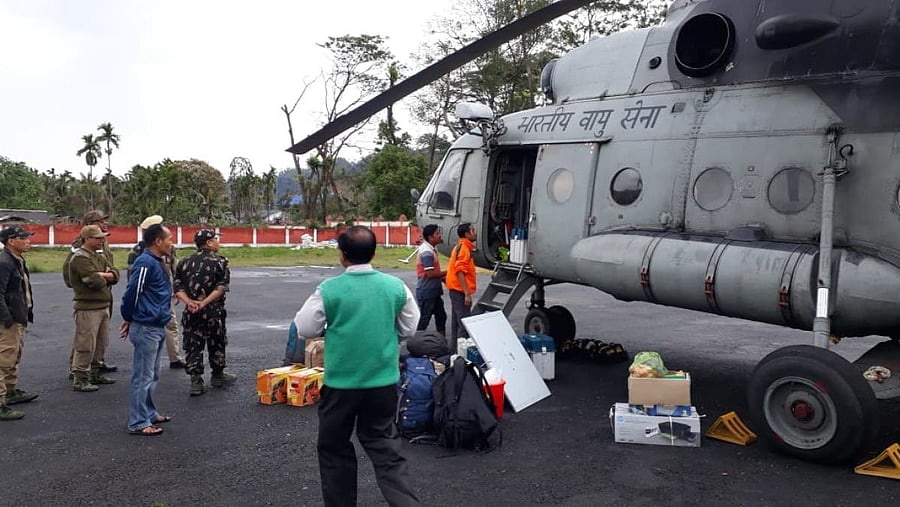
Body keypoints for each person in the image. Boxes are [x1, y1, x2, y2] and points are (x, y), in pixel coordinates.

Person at [295, 225, 421, 507]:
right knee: (386, 450)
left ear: (342, 254)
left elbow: (305, 328)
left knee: (334, 448)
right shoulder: (395, 286)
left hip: (341, 385)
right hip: (383, 383)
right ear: (373, 253)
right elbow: (410, 328)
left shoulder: (329, 290)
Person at [120, 223, 173, 436]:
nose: (172, 243)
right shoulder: (145, 263)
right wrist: (128, 317)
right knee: (142, 377)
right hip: (146, 327)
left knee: (152, 374)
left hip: (156, 325)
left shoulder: (157, 262)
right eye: (169, 239)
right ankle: (138, 422)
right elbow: (132, 292)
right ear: (158, 241)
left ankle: (149, 413)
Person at [174, 229, 234, 396]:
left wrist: (189, 302)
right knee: (217, 342)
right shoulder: (220, 262)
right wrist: (204, 303)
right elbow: (221, 288)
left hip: (191, 311)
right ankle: (217, 375)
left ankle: (196, 381)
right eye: (215, 239)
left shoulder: (184, 262)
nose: (218, 242)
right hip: (213, 312)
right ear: (209, 243)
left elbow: (177, 287)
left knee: (193, 344)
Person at [127, 215, 185, 369]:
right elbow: (132, 279)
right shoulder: (138, 252)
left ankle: (175, 357)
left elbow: (175, 268)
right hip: (148, 297)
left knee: (170, 325)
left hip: (165, 293)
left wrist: (176, 289)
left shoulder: (169, 248)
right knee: (148, 330)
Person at [64, 210, 118, 374]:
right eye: (100, 221)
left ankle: (97, 363)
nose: (104, 224)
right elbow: (71, 270)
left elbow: (113, 270)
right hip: (90, 292)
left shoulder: (102, 242)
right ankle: (77, 368)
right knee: (85, 336)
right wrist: (98, 277)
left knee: (101, 334)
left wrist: (106, 275)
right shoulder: (80, 246)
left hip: (104, 292)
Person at [0, 226, 37, 421]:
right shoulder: (4, 262)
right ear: (11, 241)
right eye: (24, 237)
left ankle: (10, 391)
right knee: (3, 361)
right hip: (9, 320)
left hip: (18, 317)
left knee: (14, 356)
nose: (28, 240)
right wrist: (7, 319)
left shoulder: (17, 260)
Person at [445, 222, 478, 346]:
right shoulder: (464, 249)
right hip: (459, 291)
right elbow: (460, 271)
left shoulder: (460, 246)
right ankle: (461, 352)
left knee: (456, 323)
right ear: (466, 234)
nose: (475, 233)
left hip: (455, 290)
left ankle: (454, 350)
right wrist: (467, 294)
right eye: (472, 230)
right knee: (464, 324)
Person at [415, 224, 448, 345]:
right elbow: (430, 274)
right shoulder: (427, 252)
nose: (440, 236)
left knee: (441, 315)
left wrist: (445, 279)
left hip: (433, 291)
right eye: (437, 234)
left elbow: (434, 272)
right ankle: (415, 343)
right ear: (430, 237)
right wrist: (449, 272)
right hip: (426, 292)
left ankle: (441, 341)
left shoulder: (432, 249)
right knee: (424, 319)